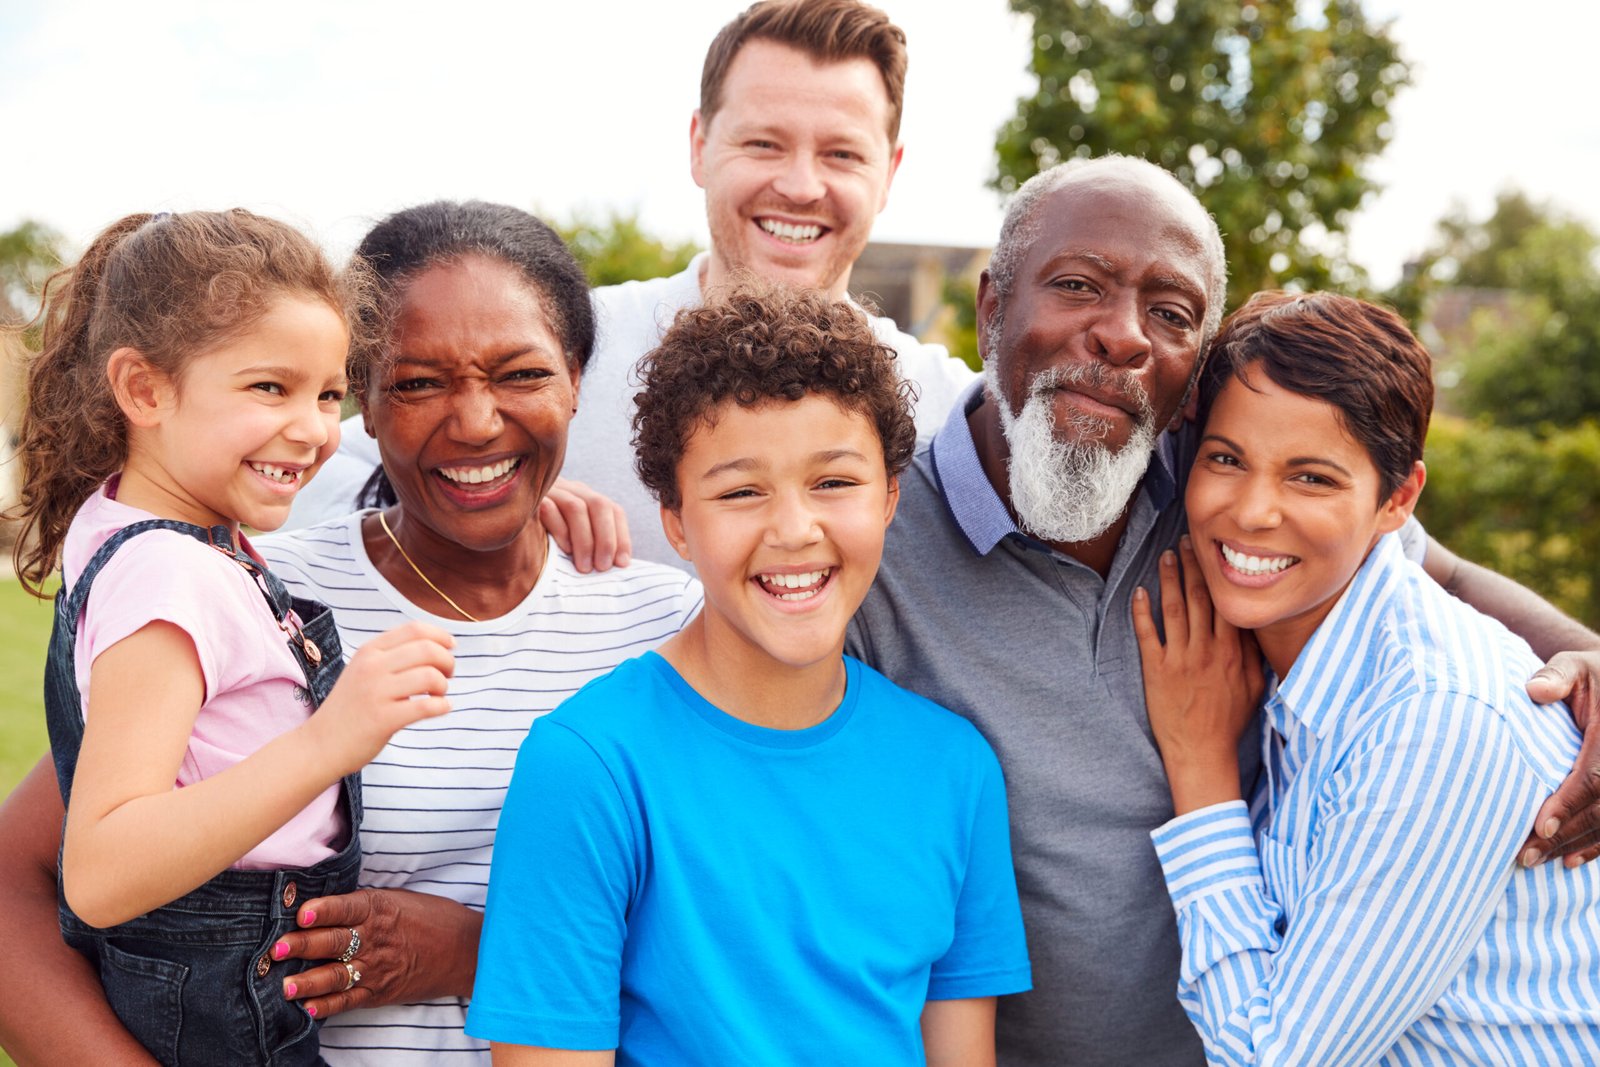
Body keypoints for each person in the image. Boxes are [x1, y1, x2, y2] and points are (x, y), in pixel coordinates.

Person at [848, 154, 1600, 1066]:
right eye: (1078, 284)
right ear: (992, 307)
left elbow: (1440, 573)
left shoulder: (1226, 493)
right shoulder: (873, 540)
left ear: (1194, 371)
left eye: (1170, 314)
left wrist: (1589, 661)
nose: (1122, 336)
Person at [0, 202, 703, 1067]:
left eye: (521, 373)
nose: (477, 421)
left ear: (576, 379)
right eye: (415, 382)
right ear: (365, 402)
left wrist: (469, 949)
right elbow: (28, 874)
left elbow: (734, 932)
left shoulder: (668, 624)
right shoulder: (259, 591)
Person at [466, 281, 1030, 1065]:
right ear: (675, 522)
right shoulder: (589, 763)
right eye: (740, 491)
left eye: (834, 482)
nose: (794, 530)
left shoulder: (954, 766)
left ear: (891, 497)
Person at [287, 0, 978, 568]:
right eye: (763, 143)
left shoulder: (948, 413)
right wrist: (496, 508)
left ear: (889, 172)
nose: (800, 185)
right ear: (700, 146)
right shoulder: (557, 347)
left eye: (842, 154)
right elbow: (316, 475)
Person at [8, 208, 455, 1066]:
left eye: (329, 394)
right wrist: (334, 736)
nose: (315, 428)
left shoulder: (149, 524)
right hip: (223, 1004)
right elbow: (102, 869)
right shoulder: (170, 576)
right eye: (268, 388)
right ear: (143, 389)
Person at [1136, 290, 1600, 1062]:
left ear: (1398, 500)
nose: (1251, 512)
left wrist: (1201, 768)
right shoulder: (1318, 656)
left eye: (1311, 478)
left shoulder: (1433, 716)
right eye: (1226, 459)